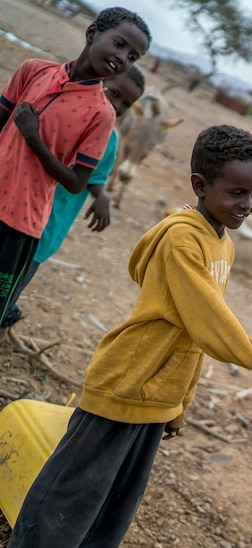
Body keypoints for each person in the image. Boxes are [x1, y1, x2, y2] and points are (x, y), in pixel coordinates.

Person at [8, 124, 252, 548]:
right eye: (237, 193)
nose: (247, 205)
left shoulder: (221, 242)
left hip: (155, 399)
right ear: (200, 186)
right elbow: (213, 324)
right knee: (61, 509)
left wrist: (177, 405)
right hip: (125, 387)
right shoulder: (181, 241)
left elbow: (193, 341)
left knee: (108, 516)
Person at [0, 6, 151, 326]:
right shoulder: (33, 70)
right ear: (93, 33)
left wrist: (33, 137)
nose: (124, 57)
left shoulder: (101, 114)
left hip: (20, 225)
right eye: (120, 44)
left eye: (134, 56)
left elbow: (77, 182)